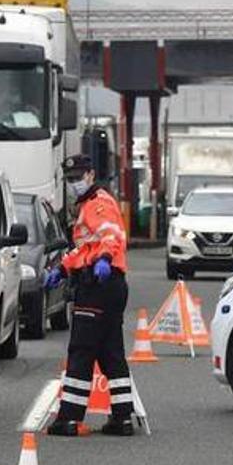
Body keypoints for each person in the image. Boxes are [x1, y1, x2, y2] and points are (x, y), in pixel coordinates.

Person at [46, 154, 134, 437]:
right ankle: (122, 418)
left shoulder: (98, 203)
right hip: (109, 285)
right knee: (111, 353)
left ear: (91, 175)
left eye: (77, 178)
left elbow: (111, 235)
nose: (73, 184)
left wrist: (105, 259)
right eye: (69, 180)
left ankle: (68, 419)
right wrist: (62, 268)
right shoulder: (88, 206)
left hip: (98, 283)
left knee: (81, 351)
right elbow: (85, 248)